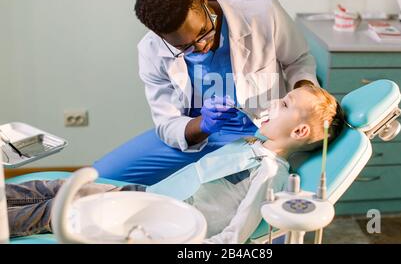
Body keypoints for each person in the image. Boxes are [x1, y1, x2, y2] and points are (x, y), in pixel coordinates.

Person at [6, 85, 344, 243]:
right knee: (63, 186)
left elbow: (234, 236)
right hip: (148, 196)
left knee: (60, 208)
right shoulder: (250, 145)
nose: (273, 102)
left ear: (299, 130)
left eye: (283, 103)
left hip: (161, 222)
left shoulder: (270, 174)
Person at [92, 0, 319, 185]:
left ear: (202, 0)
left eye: (203, 32)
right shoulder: (151, 50)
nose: (201, 47)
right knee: (100, 177)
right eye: (185, 47)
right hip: (197, 136)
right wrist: (204, 123)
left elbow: (298, 61)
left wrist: (304, 96)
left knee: (221, 195)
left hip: (258, 132)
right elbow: (167, 124)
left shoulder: (263, 13)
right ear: (160, 36)